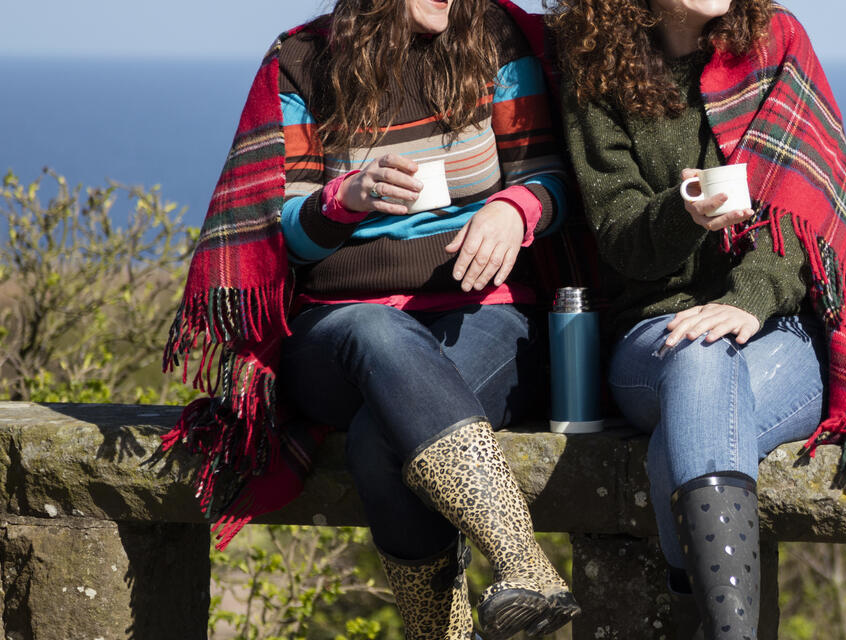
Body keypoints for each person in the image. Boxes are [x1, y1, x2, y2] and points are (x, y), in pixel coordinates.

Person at [551, 1, 846, 637]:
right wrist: (686, 212)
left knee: (684, 436)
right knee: (698, 364)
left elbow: (804, 219)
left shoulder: (773, 43)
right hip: (653, 332)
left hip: (781, 334)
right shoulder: (595, 65)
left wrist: (749, 299)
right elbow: (620, 236)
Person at [162, 1, 581, 638]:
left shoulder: (493, 39)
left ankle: (439, 629)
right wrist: (345, 199)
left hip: (483, 314)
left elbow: (550, 176)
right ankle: (524, 563)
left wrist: (514, 209)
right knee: (374, 332)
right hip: (338, 330)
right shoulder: (302, 63)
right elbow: (285, 240)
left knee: (376, 437)